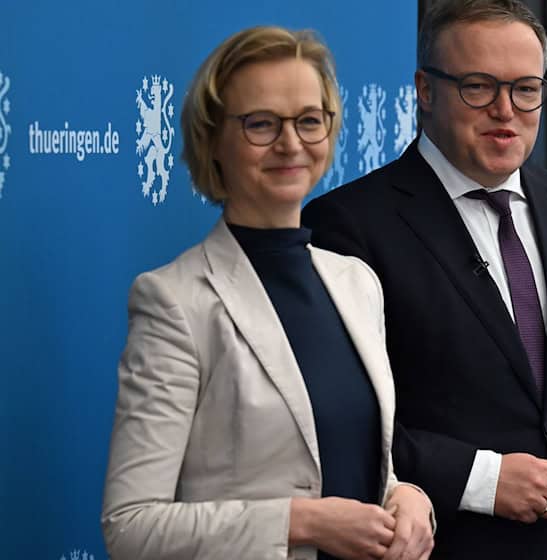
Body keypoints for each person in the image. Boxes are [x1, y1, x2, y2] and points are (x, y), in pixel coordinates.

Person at [301, 1, 547, 558]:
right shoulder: (348, 225)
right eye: (478, 87)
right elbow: (338, 422)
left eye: (526, 88)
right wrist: (481, 480)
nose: (505, 109)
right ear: (425, 90)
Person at [101, 26, 433, 560]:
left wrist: (410, 497)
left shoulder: (356, 282)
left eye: (308, 120)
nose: (291, 143)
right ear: (213, 140)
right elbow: (132, 526)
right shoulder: (175, 302)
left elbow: (360, 459)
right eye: (261, 124)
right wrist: (300, 523)